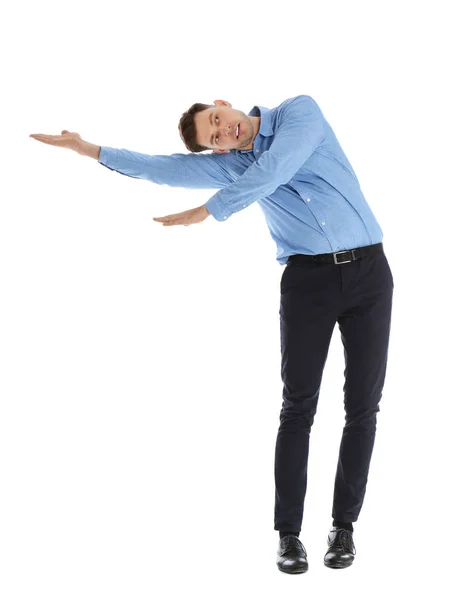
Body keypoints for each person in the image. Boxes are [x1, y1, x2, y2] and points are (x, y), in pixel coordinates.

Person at [29, 93, 394, 574]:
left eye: (218, 121)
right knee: (298, 406)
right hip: (308, 283)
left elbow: (280, 166)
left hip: (370, 274)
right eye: (215, 138)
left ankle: (343, 528)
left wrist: (211, 211)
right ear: (217, 150)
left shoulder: (299, 113)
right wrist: (91, 149)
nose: (225, 132)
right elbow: (165, 168)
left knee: (362, 407)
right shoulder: (230, 168)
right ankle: (289, 536)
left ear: (224, 104)